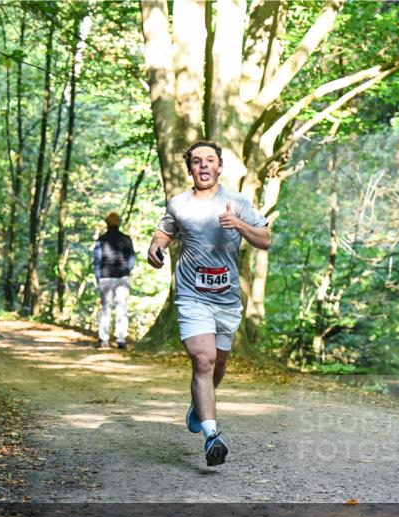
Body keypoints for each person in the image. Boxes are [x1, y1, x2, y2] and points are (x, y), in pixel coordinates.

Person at [147, 141, 271, 466]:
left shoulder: (237, 202)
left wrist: (240, 226)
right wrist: (155, 249)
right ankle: (211, 435)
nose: (203, 166)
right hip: (192, 295)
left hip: (227, 300)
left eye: (210, 160)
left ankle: (198, 406)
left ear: (219, 167)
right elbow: (163, 233)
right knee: (203, 360)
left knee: (217, 367)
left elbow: (266, 240)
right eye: (197, 161)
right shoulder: (179, 204)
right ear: (189, 168)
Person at [93, 212, 136, 350]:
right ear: (119, 223)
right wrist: (127, 270)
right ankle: (121, 339)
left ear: (107, 223)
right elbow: (131, 259)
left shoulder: (101, 239)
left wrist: (98, 276)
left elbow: (97, 260)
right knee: (121, 308)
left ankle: (104, 339)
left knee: (106, 309)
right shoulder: (126, 239)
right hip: (122, 277)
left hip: (106, 277)